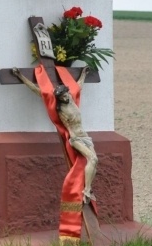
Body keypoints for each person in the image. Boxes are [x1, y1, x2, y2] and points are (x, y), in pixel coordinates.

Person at [12, 66, 98, 201]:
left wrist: (84, 74)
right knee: (92, 159)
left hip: (85, 136)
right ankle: (86, 191)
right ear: (59, 98)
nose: (66, 97)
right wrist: (21, 77)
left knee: (94, 163)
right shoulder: (60, 108)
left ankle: (88, 188)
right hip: (76, 138)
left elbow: (79, 86)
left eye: (66, 94)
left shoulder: (72, 99)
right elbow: (37, 90)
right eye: (63, 96)